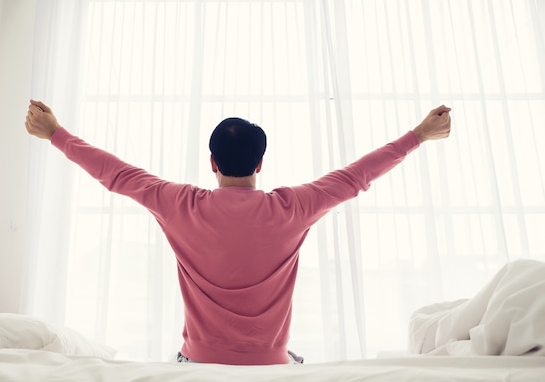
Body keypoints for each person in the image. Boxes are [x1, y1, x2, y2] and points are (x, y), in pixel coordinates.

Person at [25, 100, 451, 365]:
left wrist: (55, 134)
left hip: (198, 363)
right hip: (270, 364)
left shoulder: (179, 204)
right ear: (260, 163)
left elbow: (116, 174)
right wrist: (420, 134)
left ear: (212, 162)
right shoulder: (292, 208)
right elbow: (356, 176)